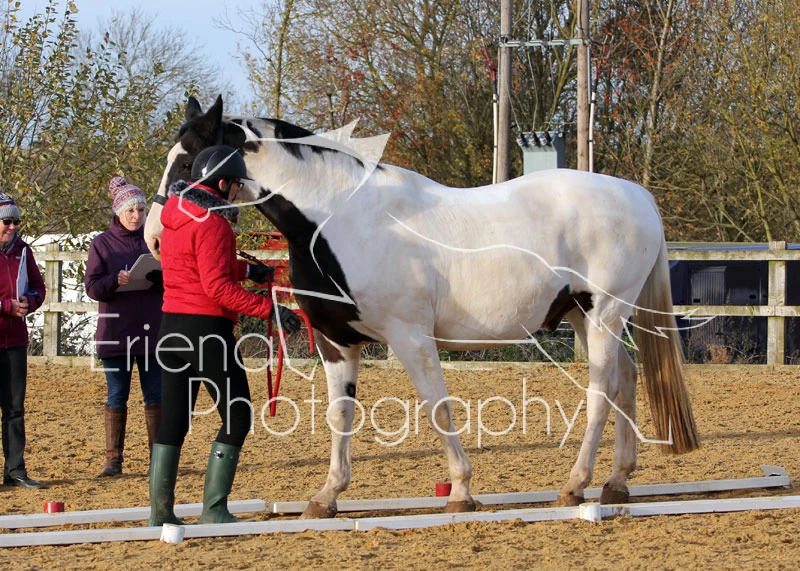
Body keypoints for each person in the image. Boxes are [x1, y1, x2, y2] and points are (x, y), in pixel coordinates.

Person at [149, 145, 301, 526]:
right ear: (221, 184)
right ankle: (214, 509)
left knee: (173, 423)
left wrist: (247, 272)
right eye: (235, 185)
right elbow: (217, 288)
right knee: (238, 415)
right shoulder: (214, 223)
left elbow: (196, 265)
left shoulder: (175, 215)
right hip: (207, 332)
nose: (237, 192)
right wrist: (271, 310)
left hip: (171, 329)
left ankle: (160, 514)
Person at [84, 177, 164, 477]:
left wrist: (160, 279)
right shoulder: (102, 244)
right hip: (116, 334)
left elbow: (175, 279)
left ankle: (159, 458)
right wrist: (114, 281)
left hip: (151, 332)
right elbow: (92, 287)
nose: (136, 215)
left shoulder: (154, 240)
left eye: (141, 210)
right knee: (117, 395)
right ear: (118, 212)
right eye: (131, 210)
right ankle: (113, 461)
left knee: (155, 396)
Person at [0, 190, 47, 489]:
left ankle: (15, 469)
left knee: (15, 409)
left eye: (16, 221)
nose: (12, 226)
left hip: (15, 341)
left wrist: (30, 301)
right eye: (7, 221)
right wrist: (6, 306)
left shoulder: (23, 251)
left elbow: (39, 287)